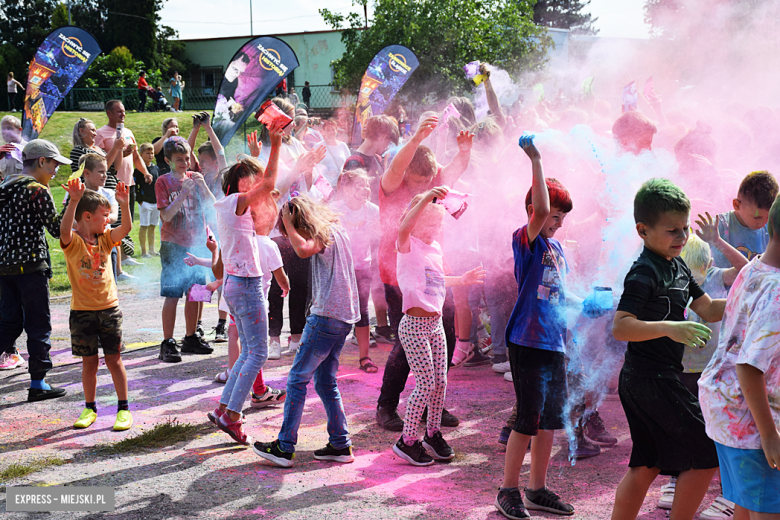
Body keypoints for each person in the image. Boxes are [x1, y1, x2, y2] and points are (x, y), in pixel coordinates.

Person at [609, 178, 727, 520]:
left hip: (656, 379)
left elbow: (707, 309)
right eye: (672, 230)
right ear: (643, 230)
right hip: (646, 380)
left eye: (685, 229)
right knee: (707, 455)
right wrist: (671, 328)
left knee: (647, 465)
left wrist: (748, 297)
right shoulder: (643, 271)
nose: (682, 237)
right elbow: (620, 326)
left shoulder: (678, 266)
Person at [495, 138, 577, 519]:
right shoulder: (524, 239)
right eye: (554, 217)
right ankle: (508, 489)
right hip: (526, 341)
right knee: (527, 420)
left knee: (549, 424)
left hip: (553, 344)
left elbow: (563, 296)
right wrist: (537, 159)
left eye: (562, 218)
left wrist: (588, 304)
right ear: (534, 212)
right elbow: (543, 206)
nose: (557, 223)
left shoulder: (558, 250)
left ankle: (536, 489)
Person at [374, 116, 473, 432]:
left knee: (445, 337)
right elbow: (394, 169)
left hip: (435, 273)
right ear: (406, 176)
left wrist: (465, 150)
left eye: (428, 179)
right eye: (418, 180)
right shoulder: (392, 185)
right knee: (406, 345)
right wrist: (415, 138)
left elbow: (455, 169)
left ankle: (435, 404)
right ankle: (386, 407)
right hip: (398, 276)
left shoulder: (435, 178)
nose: (425, 186)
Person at [253, 195, 361, 467]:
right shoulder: (338, 229)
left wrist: (289, 223)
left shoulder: (322, 234)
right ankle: (340, 444)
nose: (291, 237)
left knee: (296, 380)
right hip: (343, 318)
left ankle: (284, 447)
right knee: (325, 382)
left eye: (293, 229)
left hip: (326, 317)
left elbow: (303, 249)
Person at [698, 194, 780, 520]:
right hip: (751, 427)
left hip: (725, 410)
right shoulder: (777, 293)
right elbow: (748, 365)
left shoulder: (752, 269)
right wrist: (770, 435)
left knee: (744, 508)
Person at [392, 187, 486, 466]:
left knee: (440, 382)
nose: (435, 228)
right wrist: (424, 199)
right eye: (429, 222)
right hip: (414, 326)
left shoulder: (435, 248)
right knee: (425, 383)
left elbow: (438, 281)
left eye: (438, 223)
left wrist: (462, 279)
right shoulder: (406, 243)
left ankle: (432, 434)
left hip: (434, 326)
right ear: (417, 219)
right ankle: (407, 441)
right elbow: (404, 226)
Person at [210, 123, 283, 445]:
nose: (259, 189)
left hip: (236, 284)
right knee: (258, 353)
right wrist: (276, 144)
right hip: (247, 285)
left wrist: (255, 157)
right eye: (250, 182)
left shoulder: (228, 205)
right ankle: (233, 415)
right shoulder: (236, 201)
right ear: (241, 183)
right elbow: (268, 182)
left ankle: (225, 407)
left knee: (247, 353)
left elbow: (265, 193)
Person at [60, 179, 133, 432]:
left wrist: (123, 204)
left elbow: (125, 228)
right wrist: (74, 201)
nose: (108, 219)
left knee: (114, 360)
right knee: (89, 363)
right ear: (88, 216)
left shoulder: (105, 240)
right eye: (105, 215)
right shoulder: (73, 243)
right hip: (82, 312)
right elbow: (65, 231)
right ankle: (89, 407)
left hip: (109, 309)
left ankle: (123, 409)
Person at [0, 140, 71, 398]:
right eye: (53, 164)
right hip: (31, 266)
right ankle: (38, 384)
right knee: (39, 325)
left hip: (5, 266)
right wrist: (71, 201)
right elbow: (56, 229)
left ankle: (39, 382)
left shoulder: (5, 186)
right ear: (41, 161)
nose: (55, 171)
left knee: (8, 323)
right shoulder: (37, 190)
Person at [155, 136, 215, 362]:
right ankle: (168, 342)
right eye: (179, 159)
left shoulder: (195, 177)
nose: (184, 162)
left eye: (187, 158)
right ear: (168, 160)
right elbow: (166, 215)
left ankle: (191, 336)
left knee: (197, 291)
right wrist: (182, 193)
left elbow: (211, 204)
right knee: (173, 293)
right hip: (174, 245)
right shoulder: (163, 182)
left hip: (198, 243)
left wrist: (203, 185)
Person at [343, 115, 401, 345]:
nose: (388, 145)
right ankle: (362, 328)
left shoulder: (376, 158)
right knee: (366, 281)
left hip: (379, 226)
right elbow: (349, 198)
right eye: (388, 140)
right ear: (383, 136)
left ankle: (382, 326)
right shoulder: (355, 161)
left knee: (379, 278)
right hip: (362, 232)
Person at [330, 169, 380, 373]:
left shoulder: (373, 210)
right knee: (336, 312)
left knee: (362, 312)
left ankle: (364, 357)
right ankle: (330, 357)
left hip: (362, 267)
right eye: (359, 185)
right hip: (340, 268)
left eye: (367, 185)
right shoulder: (334, 209)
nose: (365, 190)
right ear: (346, 189)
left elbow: (377, 239)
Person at [94, 100, 149, 268]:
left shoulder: (128, 132)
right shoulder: (100, 133)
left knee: (127, 218)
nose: (123, 114)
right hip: (111, 183)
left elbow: (135, 157)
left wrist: (145, 172)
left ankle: (124, 256)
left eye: (124, 111)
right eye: (119, 112)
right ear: (109, 113)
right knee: (113, 221)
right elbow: (98, 160)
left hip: (129, 182)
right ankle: (114, 256)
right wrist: (117, 151)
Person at [710, 171, 778, 269]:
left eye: (768, 216)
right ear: (737, 205)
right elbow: (698, 272)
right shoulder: (717, 227)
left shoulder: (773, 227)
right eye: (757, 217)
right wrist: (724, 276)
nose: (764, 223)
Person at [134, 143, 160, 257]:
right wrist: (140, 201)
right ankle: (144, 251)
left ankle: (151, 250)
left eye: (152, 153)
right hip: (145, 203)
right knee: (144, 225)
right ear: (141, 154)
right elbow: (135, 187)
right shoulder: (138, 170)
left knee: (153, 226)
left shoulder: (155, 168)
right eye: (147, 153)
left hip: (156, 202)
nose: (150, 155)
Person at [317, 119, 351, 188]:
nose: (331, 132)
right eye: (328, 130)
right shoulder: (319, 146)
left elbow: (349, 164)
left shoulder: (343, 146)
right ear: (323, 131)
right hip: (324, 185)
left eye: (333, 129)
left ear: (336, 130)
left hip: (340, 184)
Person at [1, 115, 26, 180]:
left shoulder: (29, 149)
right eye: (3, 128)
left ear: (19, 130)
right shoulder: (1, 152)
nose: (5, 132)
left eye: (9, 128)